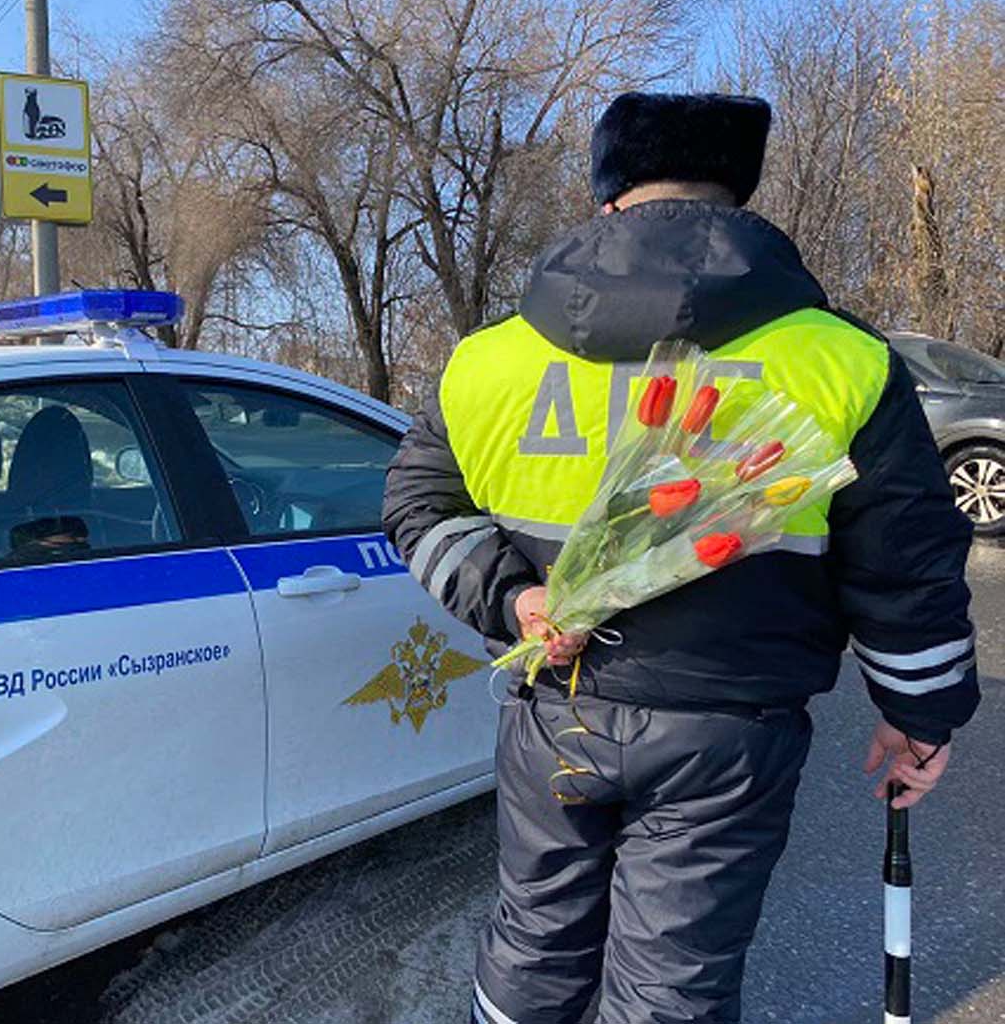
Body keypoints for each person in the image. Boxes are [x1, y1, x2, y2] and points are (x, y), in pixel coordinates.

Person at [381, 92, 978, 1024]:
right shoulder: (839, 358)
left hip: (557, 714)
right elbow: (906, 561)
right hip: (727, 733)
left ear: (608, 195)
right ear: (738, 197)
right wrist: (920, 712)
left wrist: (516, 602)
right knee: (672, 979)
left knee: (533, 944)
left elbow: (418, 509)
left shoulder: (488, 360)